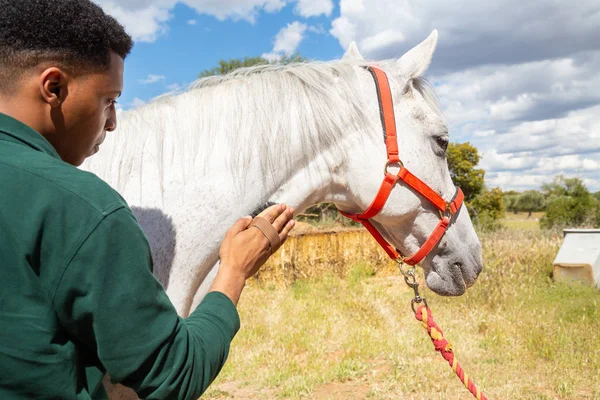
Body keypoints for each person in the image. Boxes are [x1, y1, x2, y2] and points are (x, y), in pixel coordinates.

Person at [0, 1, 295, 398]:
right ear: (53, 87)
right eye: (109, 99)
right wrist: (234, 272)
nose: (112, 122)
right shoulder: (81, 208)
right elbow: (173, 375)